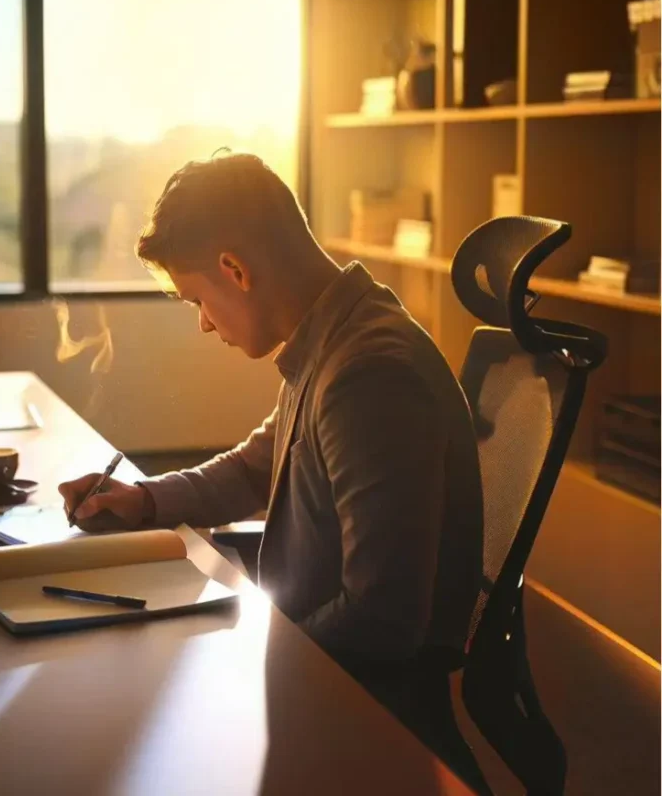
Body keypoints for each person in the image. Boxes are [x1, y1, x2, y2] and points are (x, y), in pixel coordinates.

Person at [59, 151, 483, 681]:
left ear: (234, 270)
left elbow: (382, 620)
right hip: (308, 661)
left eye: (196, 301)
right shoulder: (333, 338)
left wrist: (248, 654)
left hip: (349, 704)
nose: (205, 326)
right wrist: (143, 500)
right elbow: (254, 469)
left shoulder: (368, 376)